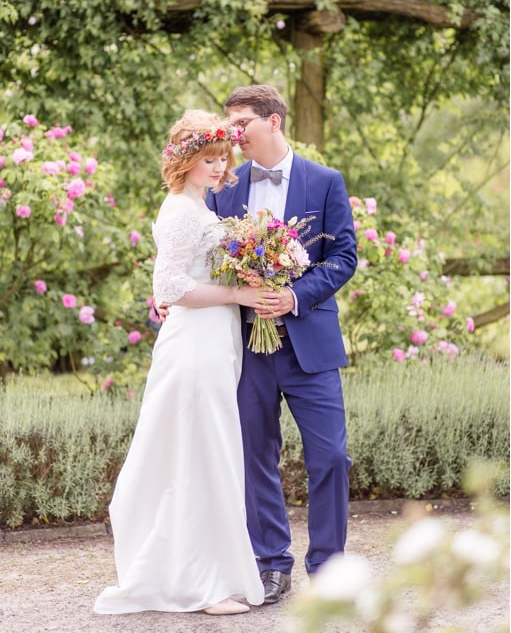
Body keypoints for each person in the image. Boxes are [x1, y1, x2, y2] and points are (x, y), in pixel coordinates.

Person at [94, 110, 265, 616]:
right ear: (186, 160)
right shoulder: (181, 212)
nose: (218, 168)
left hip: (213, 343)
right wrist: (241, 291)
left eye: (221, 159)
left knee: (208, 452)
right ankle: (199, 585)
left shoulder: (200, 207)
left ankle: (206, 574)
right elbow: (169, 287)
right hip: (193, 348)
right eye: (209, 159)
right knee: (197, 454)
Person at [205, 84, 358, 605]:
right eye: (229, 124)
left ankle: (330, 570)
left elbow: (344, 258)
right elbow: (202, 261)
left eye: (241, 122)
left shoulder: (325, 181)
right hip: (246, 345)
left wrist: (294, 296)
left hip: (309, 345)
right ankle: (271, 565)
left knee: (331, 457)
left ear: (273, 121)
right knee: (255, 457)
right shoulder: (222, 188)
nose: (233, 134)